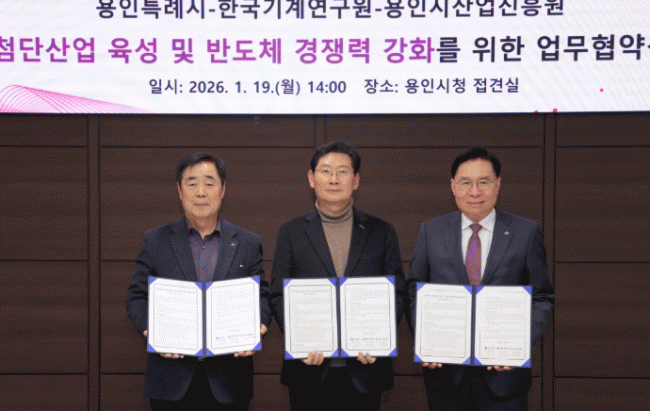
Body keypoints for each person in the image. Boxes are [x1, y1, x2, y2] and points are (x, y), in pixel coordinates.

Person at [407, 146, 555, 411]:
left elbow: (542, 296)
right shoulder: (432, 231)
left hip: (505, 379)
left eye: (483, 182)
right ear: (453, 186)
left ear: (497, 185)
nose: (474, 192)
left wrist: (519, 344)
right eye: (465, 183)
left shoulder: (525, 232)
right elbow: (414, 291)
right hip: (446, 377)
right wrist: (426, 341)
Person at [126, 152, 270, 411]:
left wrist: (258, 326)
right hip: (171, 380)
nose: (201, 192)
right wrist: (152, 331)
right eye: (192, 184)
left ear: (223, 190)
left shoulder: (248, 243)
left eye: (209, 183)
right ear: (179, 191)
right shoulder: (156, 241)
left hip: (230, 382)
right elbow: (137, 297)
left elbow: (262, 297)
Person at [270, 141, 407, 411]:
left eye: (343, 171)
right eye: (326, 171)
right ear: (312, 178)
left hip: (365, 368)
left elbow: (397, 293)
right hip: (309, 369)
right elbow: (278, 295)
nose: (334, 179)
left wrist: (380, 339)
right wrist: (301, 340)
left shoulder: (381, 231)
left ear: (355, 180)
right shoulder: (291, 231)